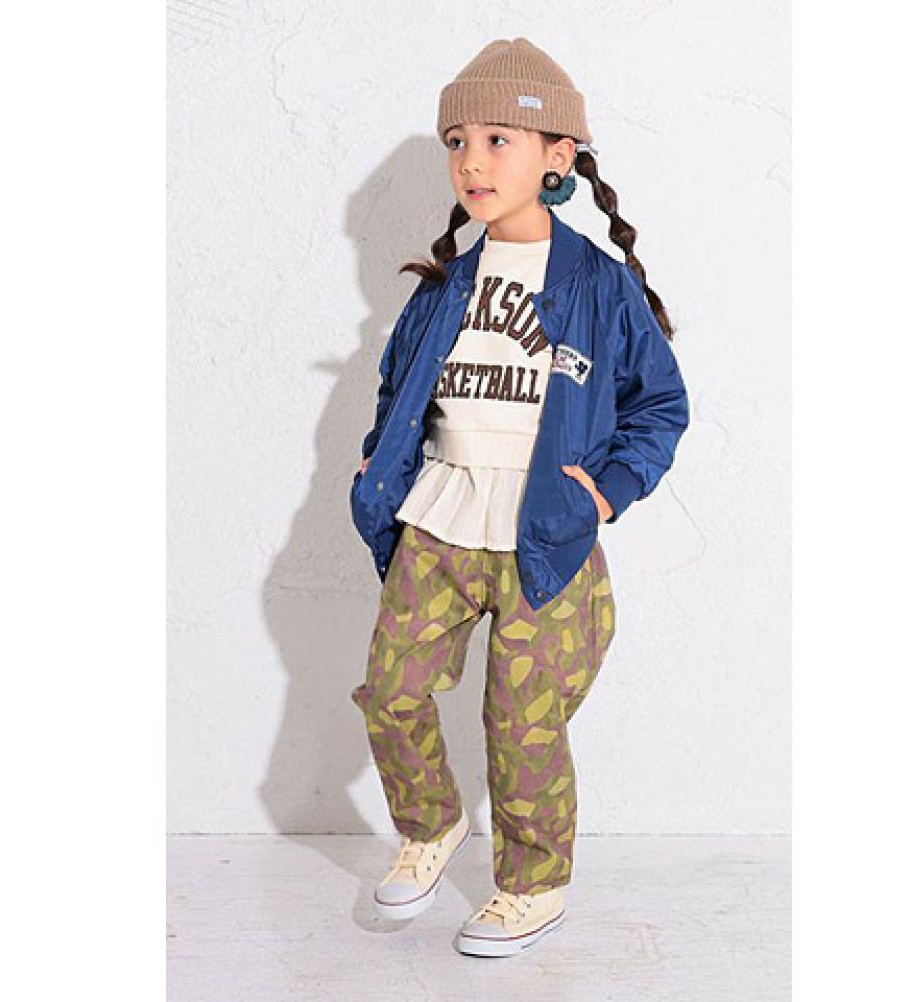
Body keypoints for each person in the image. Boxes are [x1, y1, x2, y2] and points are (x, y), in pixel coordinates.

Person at [348, 37, 690, 957]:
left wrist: (605, 495)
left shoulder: (599, 287)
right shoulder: (444, 287)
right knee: (390, 691)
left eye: (498, 139)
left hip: (546, 534)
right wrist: (379, 466)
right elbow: (397, 392)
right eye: (458, 141)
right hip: (440, 518)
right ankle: (431, 825)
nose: (472, 161)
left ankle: (533, 886)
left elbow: (660, 405)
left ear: (557, 157)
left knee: (521, 722)